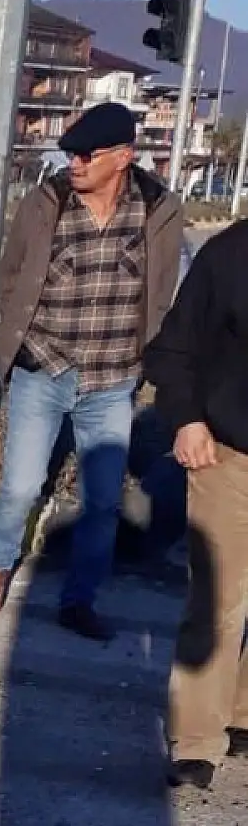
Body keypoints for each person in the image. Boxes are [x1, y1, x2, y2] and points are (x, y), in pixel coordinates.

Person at [0, 102, 187, 640]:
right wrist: (13, 335)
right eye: (71, 153)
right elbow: (13, 271)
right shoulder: (46, 203)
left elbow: (163, 289)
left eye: (87, 154)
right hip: (43, 369)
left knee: (103, 501)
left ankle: (80, 598)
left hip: (111, 380)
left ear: (122, 157)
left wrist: (150, 356)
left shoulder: (158, 210)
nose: (75, 162)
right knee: (21, 487)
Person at [142, 216, 248, 789]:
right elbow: (174, 349)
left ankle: (244, 714)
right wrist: (186, 420)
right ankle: (197, 742)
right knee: (218, 601)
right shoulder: (230, 255)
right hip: (229, 454)